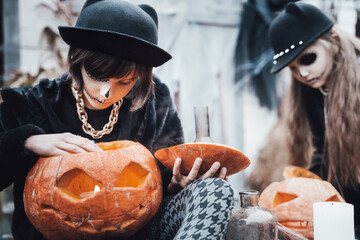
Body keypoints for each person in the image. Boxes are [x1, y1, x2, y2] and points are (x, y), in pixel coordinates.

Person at [0, 0, 236, 239]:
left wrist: (176, 184)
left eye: (124, 82)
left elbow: (161, 183)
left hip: (141, 231)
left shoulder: (155, 102)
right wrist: (25, 141)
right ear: (76, 60)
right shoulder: (31, 103)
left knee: (215, 190)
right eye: (96, 75)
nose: (106, 93)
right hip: (56, 234)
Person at [268, 1, 360, 237]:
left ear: (333, 42)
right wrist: (309, 189)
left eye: (308, 58)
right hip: (343, 204)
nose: (303, 73)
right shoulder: (312, 89)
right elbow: (322, 148)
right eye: (294, 68)